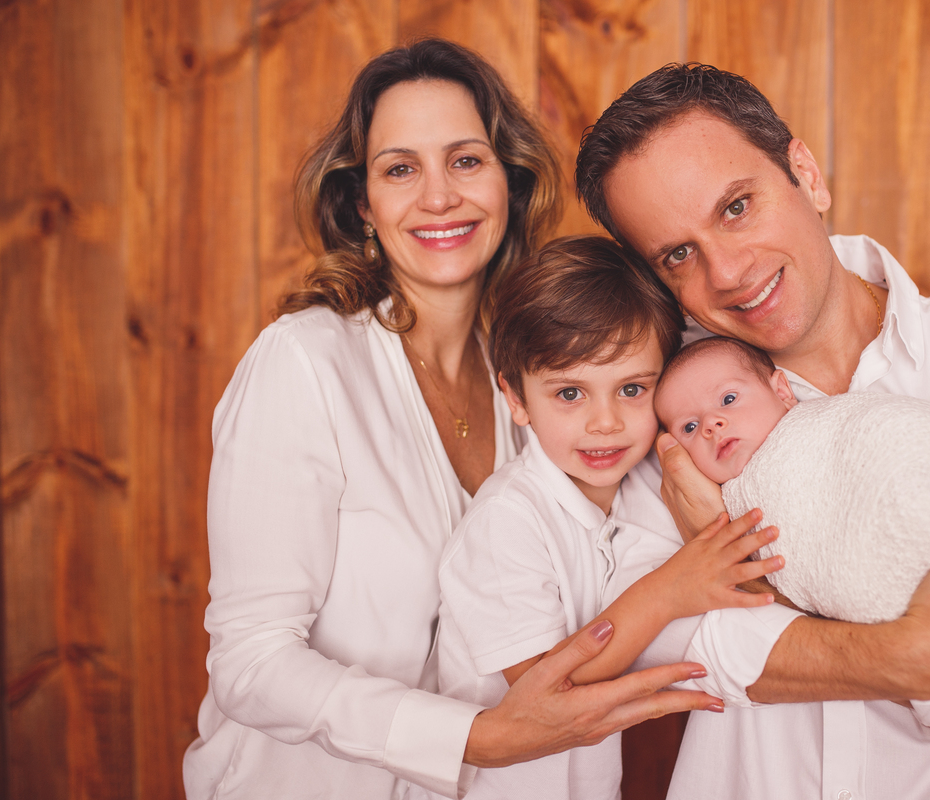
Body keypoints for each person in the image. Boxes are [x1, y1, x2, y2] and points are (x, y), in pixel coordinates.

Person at [182, 42, 719, 800]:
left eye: (466, 160)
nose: (439, 197)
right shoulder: (303, 364)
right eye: (401, 169)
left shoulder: (547, 375)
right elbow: (251, 663)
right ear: (364, 202)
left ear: (511, 180)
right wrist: (478, 738)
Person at [575, 63, 930, 798]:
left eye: (736, 207)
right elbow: (667, 642)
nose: (726, 271)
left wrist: (737, 571)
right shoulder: (665, 404)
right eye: (678, 255)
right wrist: (915, 651)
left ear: (805, 174)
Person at [436, 236, 784, 799]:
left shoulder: (638, 494)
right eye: (570, 393)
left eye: (631, 389)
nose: (605, 423)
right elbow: (546, 696)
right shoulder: (506, 522)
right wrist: (669, 592)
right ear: (516, 398)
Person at [654, 335, 930, 624]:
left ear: (782, 392)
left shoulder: (829, 423)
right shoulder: (716, 505)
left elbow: (898, 437)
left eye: (729, 399)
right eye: (689, 426)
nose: (711, 425)